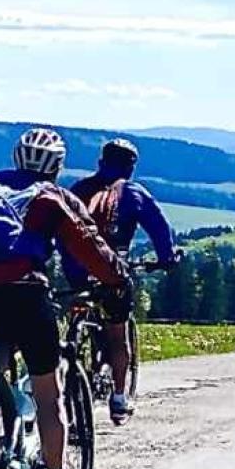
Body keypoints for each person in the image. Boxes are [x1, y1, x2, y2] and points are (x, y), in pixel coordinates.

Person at [0, 128, 131, 469]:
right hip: (25, 292)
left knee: (4, 334)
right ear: (56, 165)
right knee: (49, 395)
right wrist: (118, 279)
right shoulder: (52, 196)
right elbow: (89, 244)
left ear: (17, 156)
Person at [65, 138, 179, 425]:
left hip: (76, 272)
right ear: (130, 167)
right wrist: (166, 258)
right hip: (112, 273)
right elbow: (160, 229)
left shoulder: (77, 190)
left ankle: (71, 362)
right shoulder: (133, 193)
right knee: (118, 334)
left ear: (101, 161)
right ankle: (118, 398)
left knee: (77, 315)